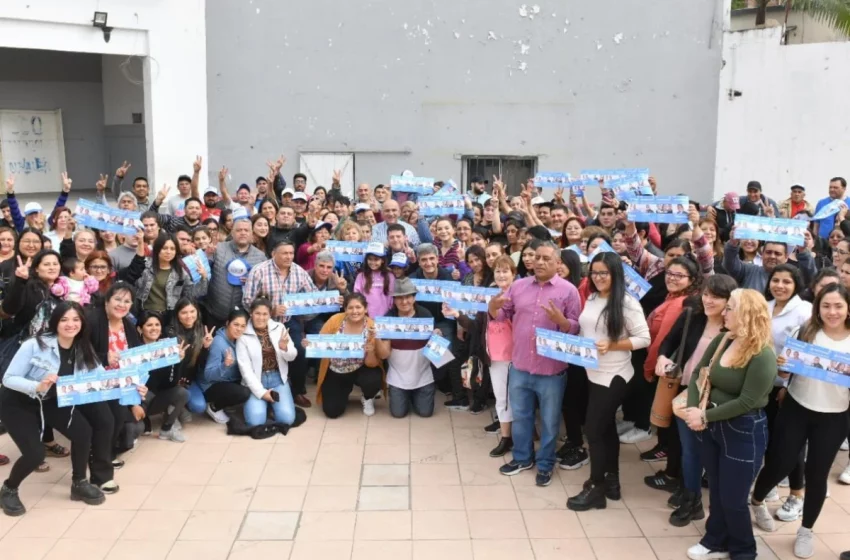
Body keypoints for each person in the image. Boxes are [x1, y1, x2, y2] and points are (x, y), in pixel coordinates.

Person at [0, 303, 143, 516]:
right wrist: (36, 386)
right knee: (35, 454)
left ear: (82, 323)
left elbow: (102, 379)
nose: (70, 324)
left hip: (51, 400)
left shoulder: (83, 347)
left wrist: (133, 389)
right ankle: (9, 488)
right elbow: (8, 378)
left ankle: (79, 482)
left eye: (76, 319)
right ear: (55, 322)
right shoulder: (35, 344)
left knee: (83, 432)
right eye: (65, 319)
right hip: (18, 402)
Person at [749, 284, 850, 558]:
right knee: (780, 462)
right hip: (797, 407)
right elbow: (784, 370)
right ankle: (757, 501)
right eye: (826, 305)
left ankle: (806, 529)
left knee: (818, 474)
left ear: (848, 308)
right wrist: (782, 364)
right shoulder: (806, 331)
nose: (832, 311)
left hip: (835, 415)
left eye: (838, 306)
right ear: (817, 307)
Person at [681, 289, 776, 560]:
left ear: (746, 314)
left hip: (743, 429)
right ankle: (715, 539)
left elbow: (748, 401)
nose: (724, 312)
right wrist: (694, 407)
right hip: (711, 425)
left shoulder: (762, 355)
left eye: (730, 308)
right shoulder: (723, 339)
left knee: (734, 499)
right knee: (719, 492)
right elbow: (700, 372)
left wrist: (704, 416)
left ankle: (744, 550)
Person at [488, 240, 581, 487]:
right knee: (521, 416)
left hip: (551, 370)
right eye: (537, 257)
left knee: (550, 422)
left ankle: (546, 464)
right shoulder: (518, 286)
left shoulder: (569, 291)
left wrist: (562, 321)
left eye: (546, 259)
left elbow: (576, 328)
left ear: (558, 262)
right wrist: (492, 308)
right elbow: (502, 315)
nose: (539, 262)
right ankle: (522, 458)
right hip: (520, 365)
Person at [566, 252, 651, 510]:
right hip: (591, 371)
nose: (599, 277)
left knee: (592, 430)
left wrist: (614, 344)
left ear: (615, 274)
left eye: (604, 272)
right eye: (594, 272)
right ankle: (612, 480)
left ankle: (596, 486)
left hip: (614, 374)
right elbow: (586, 329)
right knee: (605, 428)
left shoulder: (627, 303)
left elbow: (643, 338)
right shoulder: (591, 297)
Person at [654, 274, 737, 526]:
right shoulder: (692, 315)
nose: (709, 300)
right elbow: (668, 341)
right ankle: (692, 500)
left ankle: (711, 502)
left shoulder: (733, 327)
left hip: (718, 399)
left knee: (712, 453)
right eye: (707, 294)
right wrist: (662, 357)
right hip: (686, 394)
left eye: (717, 296)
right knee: (689, 450)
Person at [243, 239, 316, 408]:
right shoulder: (259, 271)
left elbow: (313, 297)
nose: (288, 256)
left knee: (299, 352)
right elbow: (247, 301)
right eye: (284, 253)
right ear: (273, 253)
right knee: (266, 355)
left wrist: (334, 297)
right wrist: (271, 311)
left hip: (290, 322)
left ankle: (297, 391)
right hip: (265, 323)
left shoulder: (299, 272)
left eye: (291, 253)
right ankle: (262, 390)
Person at [314, 293, 387, 418]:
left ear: (365, 309)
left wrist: (370, 351)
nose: (355, 311)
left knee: (373, 378)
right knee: (332, 412)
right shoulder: (335, 320)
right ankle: (343, 391)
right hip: (336, 368)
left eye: (358, 307)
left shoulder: (371, 326)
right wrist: (311, 344)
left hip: (360, 368)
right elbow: (321, 341)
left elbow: (372, 363)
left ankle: (368, 397)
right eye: (350, 308)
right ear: (345, 309)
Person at [376, 278, 436, 418]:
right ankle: (404, 395)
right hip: (398, 375)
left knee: (425, 412)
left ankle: (414, 395)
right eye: (399, 298)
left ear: (414, 298)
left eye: (408, 297)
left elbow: (436, 354)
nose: (404, 302)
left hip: (422, 374)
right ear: (394, 300)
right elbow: (384, 355)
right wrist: (379, 336)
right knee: (398, 413)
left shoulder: (425, 315)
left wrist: (436, 338)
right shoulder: (388, 319)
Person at [234, 298, 298, 427]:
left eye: (265, 314)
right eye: (257, 313)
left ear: (270, 315)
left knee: (287, 420)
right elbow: (245, 370)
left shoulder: (279, 327)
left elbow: (292, 356)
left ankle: (270, 406)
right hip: (256, 380)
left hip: (277, 379)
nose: (261, 318)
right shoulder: (243, 334)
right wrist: (262, 393)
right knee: (255, 422)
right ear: (251, 313)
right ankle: (264, 405)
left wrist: (284, 348)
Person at [135, 233, 208, 324]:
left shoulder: (180, 272)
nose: (168, 252)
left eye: (172, 249)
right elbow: (132, 282)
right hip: (145, 315)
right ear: (158, 249)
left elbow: (190, 294)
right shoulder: (145, 267)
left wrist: (204, 278)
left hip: (169, 317)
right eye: (165, 248)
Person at [199, 307, 252, 423]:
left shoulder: (240, 340)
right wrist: (225, 365)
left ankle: (229, 402)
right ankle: (214, 407)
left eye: (243, 326)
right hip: (211, 385)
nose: (239, 329)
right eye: (236, 325)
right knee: (243, 393)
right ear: (228, 323)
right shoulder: (218, 343)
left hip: (228, 379)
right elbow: (208, 375)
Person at [353, 242, 394, 318]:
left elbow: (392, 297)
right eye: (370, 259)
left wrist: (389, 313)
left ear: (382, 260)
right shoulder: (361, 276)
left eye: (376, 259)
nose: (373, 262)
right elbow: (357, 296)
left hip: (385, 318)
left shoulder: (390, 276)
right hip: (365, 316)